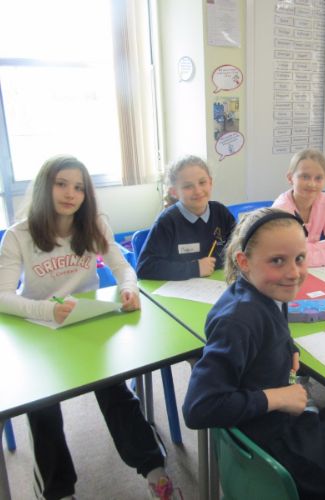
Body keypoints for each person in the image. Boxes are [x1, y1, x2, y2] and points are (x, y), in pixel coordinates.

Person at [182, 208, 325, 499]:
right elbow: (198, 407)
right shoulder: (240, 320)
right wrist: (277, 397)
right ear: (243, 262)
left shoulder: (264, 292)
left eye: (300, 258)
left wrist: (290, 348)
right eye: (277, 261)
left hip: (276, 423)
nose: (293, 273)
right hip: (276, 445)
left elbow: (272, 331)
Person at [0, 155, 180, 500]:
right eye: (61, 184)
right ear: (44, 187)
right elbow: (2, 297)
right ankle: (58, 491)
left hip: (86, 323)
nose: (71, 194)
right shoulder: (18, 235)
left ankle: (154, 470)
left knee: (115, 392)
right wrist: (47, 311)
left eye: (79, 188)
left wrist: (129, 289)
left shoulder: (94, 224)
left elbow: (123, 267)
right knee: (43, 409)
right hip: (39, 332)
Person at [136, 155, 235, 280]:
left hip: (218, 285)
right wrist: (195, 268)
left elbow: (240, 248)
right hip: (179, 289)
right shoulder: (167, 222)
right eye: (188, 186)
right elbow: (144, 267)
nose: (198, 191)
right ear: (174, 192)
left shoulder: (221, 212)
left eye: (202, 182)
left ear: (210, 183)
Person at [272, 148, 325, 266]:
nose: (312, 184)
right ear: (290, 178)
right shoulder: (282, 209)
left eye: (318, 178)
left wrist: (305, 250)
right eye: (305, 177)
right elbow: (287, 255)